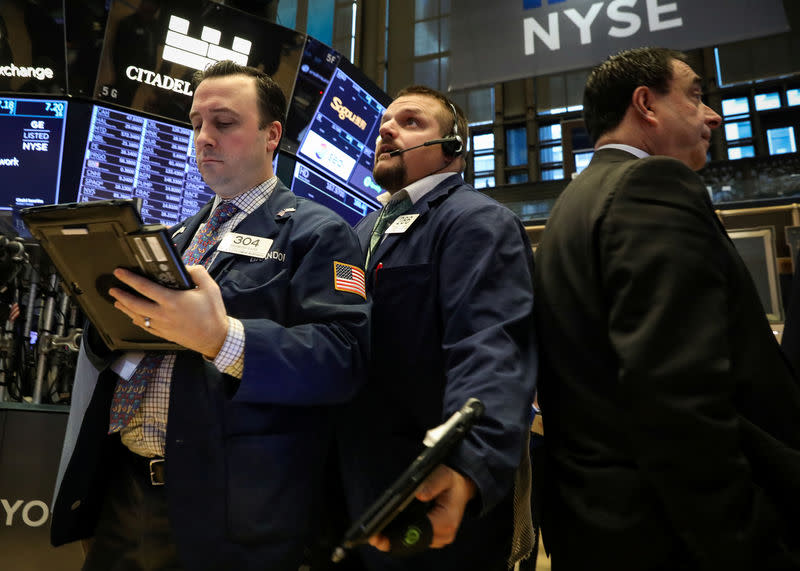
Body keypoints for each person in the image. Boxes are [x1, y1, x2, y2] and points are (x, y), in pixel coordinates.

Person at [50, 60, 370, 570]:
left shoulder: (316, 232)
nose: (203, 137)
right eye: (196, 123)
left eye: (223, 123)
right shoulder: (174, 238)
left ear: (272, 135)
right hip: (124, 489)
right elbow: (133, 346)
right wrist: (105, 315)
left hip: (229, 511)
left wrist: (224, 339)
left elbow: (343, 357)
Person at [534, 47, 800, 570]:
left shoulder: (574, 202)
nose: (713, 115)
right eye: (696, 95)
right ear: (646, 105)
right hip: (674, 534)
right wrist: (748, 544)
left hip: (602, 525)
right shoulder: (651, 183)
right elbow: (678, 392)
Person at [336, 85, 538, 571]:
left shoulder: (477, 221)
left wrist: (469, 462)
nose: (385, 129)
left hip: (433, 489)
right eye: (385, 122)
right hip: (359, 483)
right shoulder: (362, 230)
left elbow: (490, 346)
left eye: (410, 122)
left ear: (454, 148)